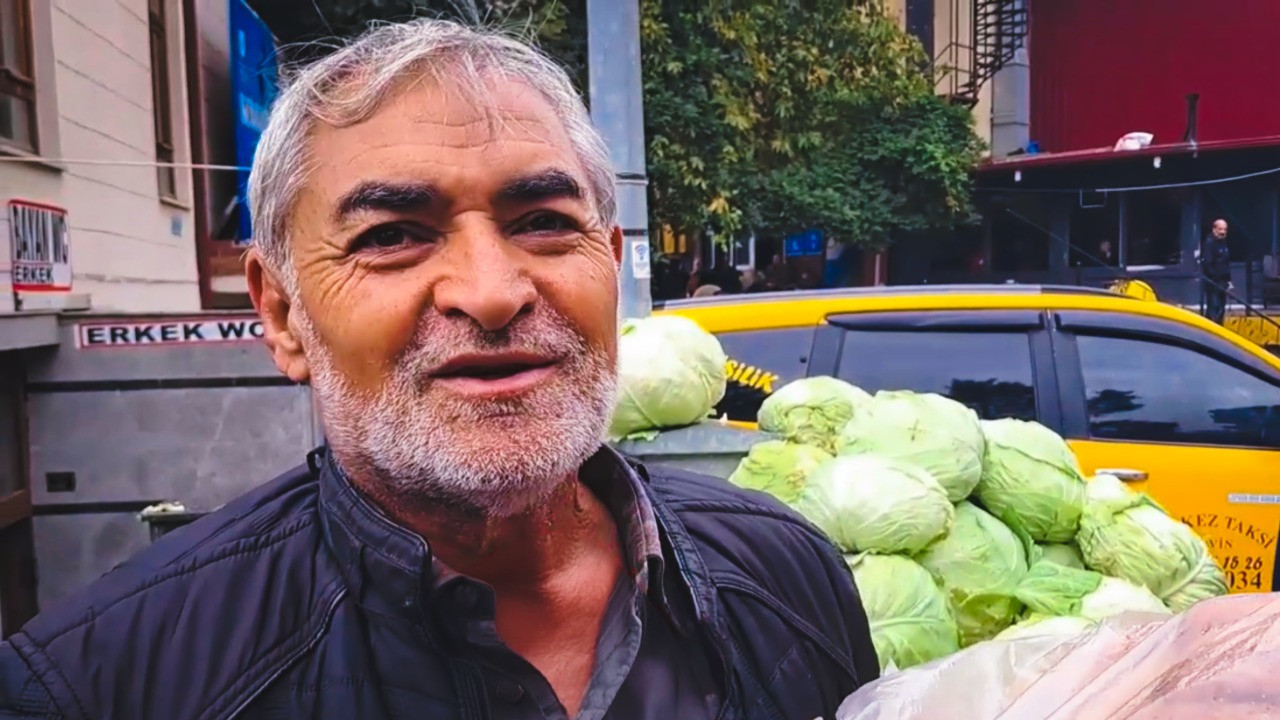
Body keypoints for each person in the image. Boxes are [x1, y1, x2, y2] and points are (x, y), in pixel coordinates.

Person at [0, 20, 878, 720]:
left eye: (542, 220)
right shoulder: (104, 681)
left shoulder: (787, 573)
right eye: (391, 237)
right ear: (281, 314)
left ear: (611, 266)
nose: (492, 293)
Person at [1201, 219, 1232, 324]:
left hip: (1223, 282)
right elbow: (1208, 263)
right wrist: (1215, 279)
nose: (1223, 232)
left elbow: (1225, 263)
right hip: (1213, 282)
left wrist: (1228, 280)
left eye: (1225, 229)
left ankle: (1218, 326)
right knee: (1214, 307)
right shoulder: (1210, 243)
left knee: (1220, 309)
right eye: (1220, 229)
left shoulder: (1223, 243)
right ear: (1214, 229)